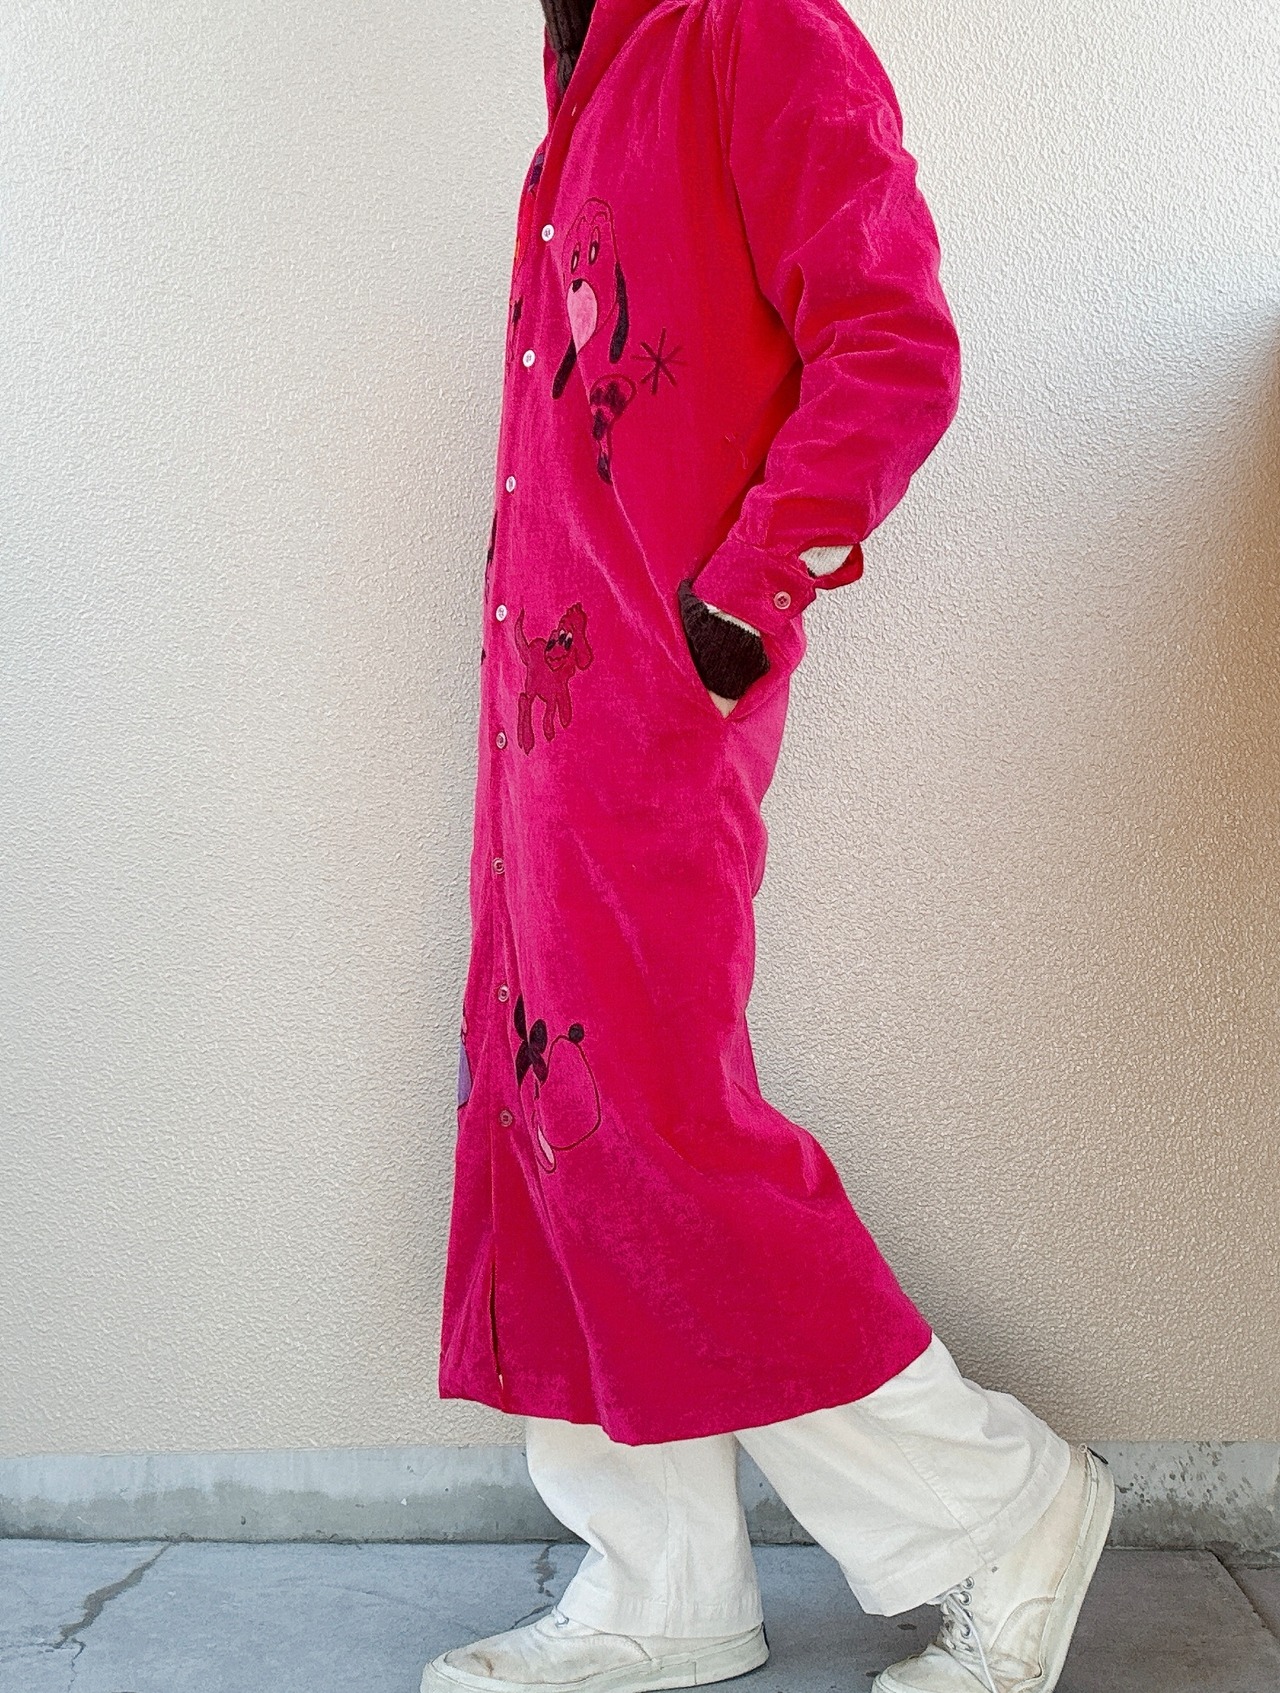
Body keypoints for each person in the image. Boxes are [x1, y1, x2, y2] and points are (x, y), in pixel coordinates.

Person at [424, 0, 1114, 1689]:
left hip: (651, 699)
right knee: (551, 1112)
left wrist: (739, 602)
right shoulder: (587, 81)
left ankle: (1004, 1505)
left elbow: (893, 342)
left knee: (661, 1129)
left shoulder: (753, 28)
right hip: (544, 711)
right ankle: (659, 1581)